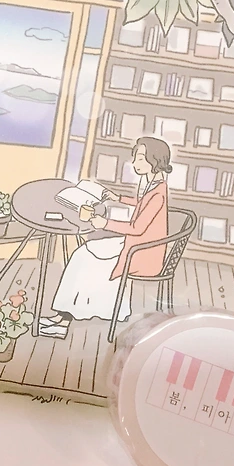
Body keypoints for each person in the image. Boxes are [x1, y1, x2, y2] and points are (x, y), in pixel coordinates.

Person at [39, 136, 173, 339]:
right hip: (136, 245)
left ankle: (63, 321)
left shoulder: (158, 193)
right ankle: (61, 316)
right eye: (135, 158)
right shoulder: (155, 185)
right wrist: (118, 198)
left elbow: (137, 228)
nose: (135, 163)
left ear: (155, 160)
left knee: (86, 258)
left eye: (140, 158)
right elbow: (142, 204)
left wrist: (104, 223)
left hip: (141, 253)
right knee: (83, 253)